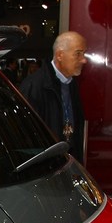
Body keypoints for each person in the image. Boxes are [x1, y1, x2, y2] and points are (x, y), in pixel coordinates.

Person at [19, 31, 88, 163]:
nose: (84, 60)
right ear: (60, 55)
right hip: (46, 167)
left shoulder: (72, 84)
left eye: (84, 54)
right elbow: (26, 139)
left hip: (67, 162)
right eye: (78, 53)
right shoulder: (33, 86)